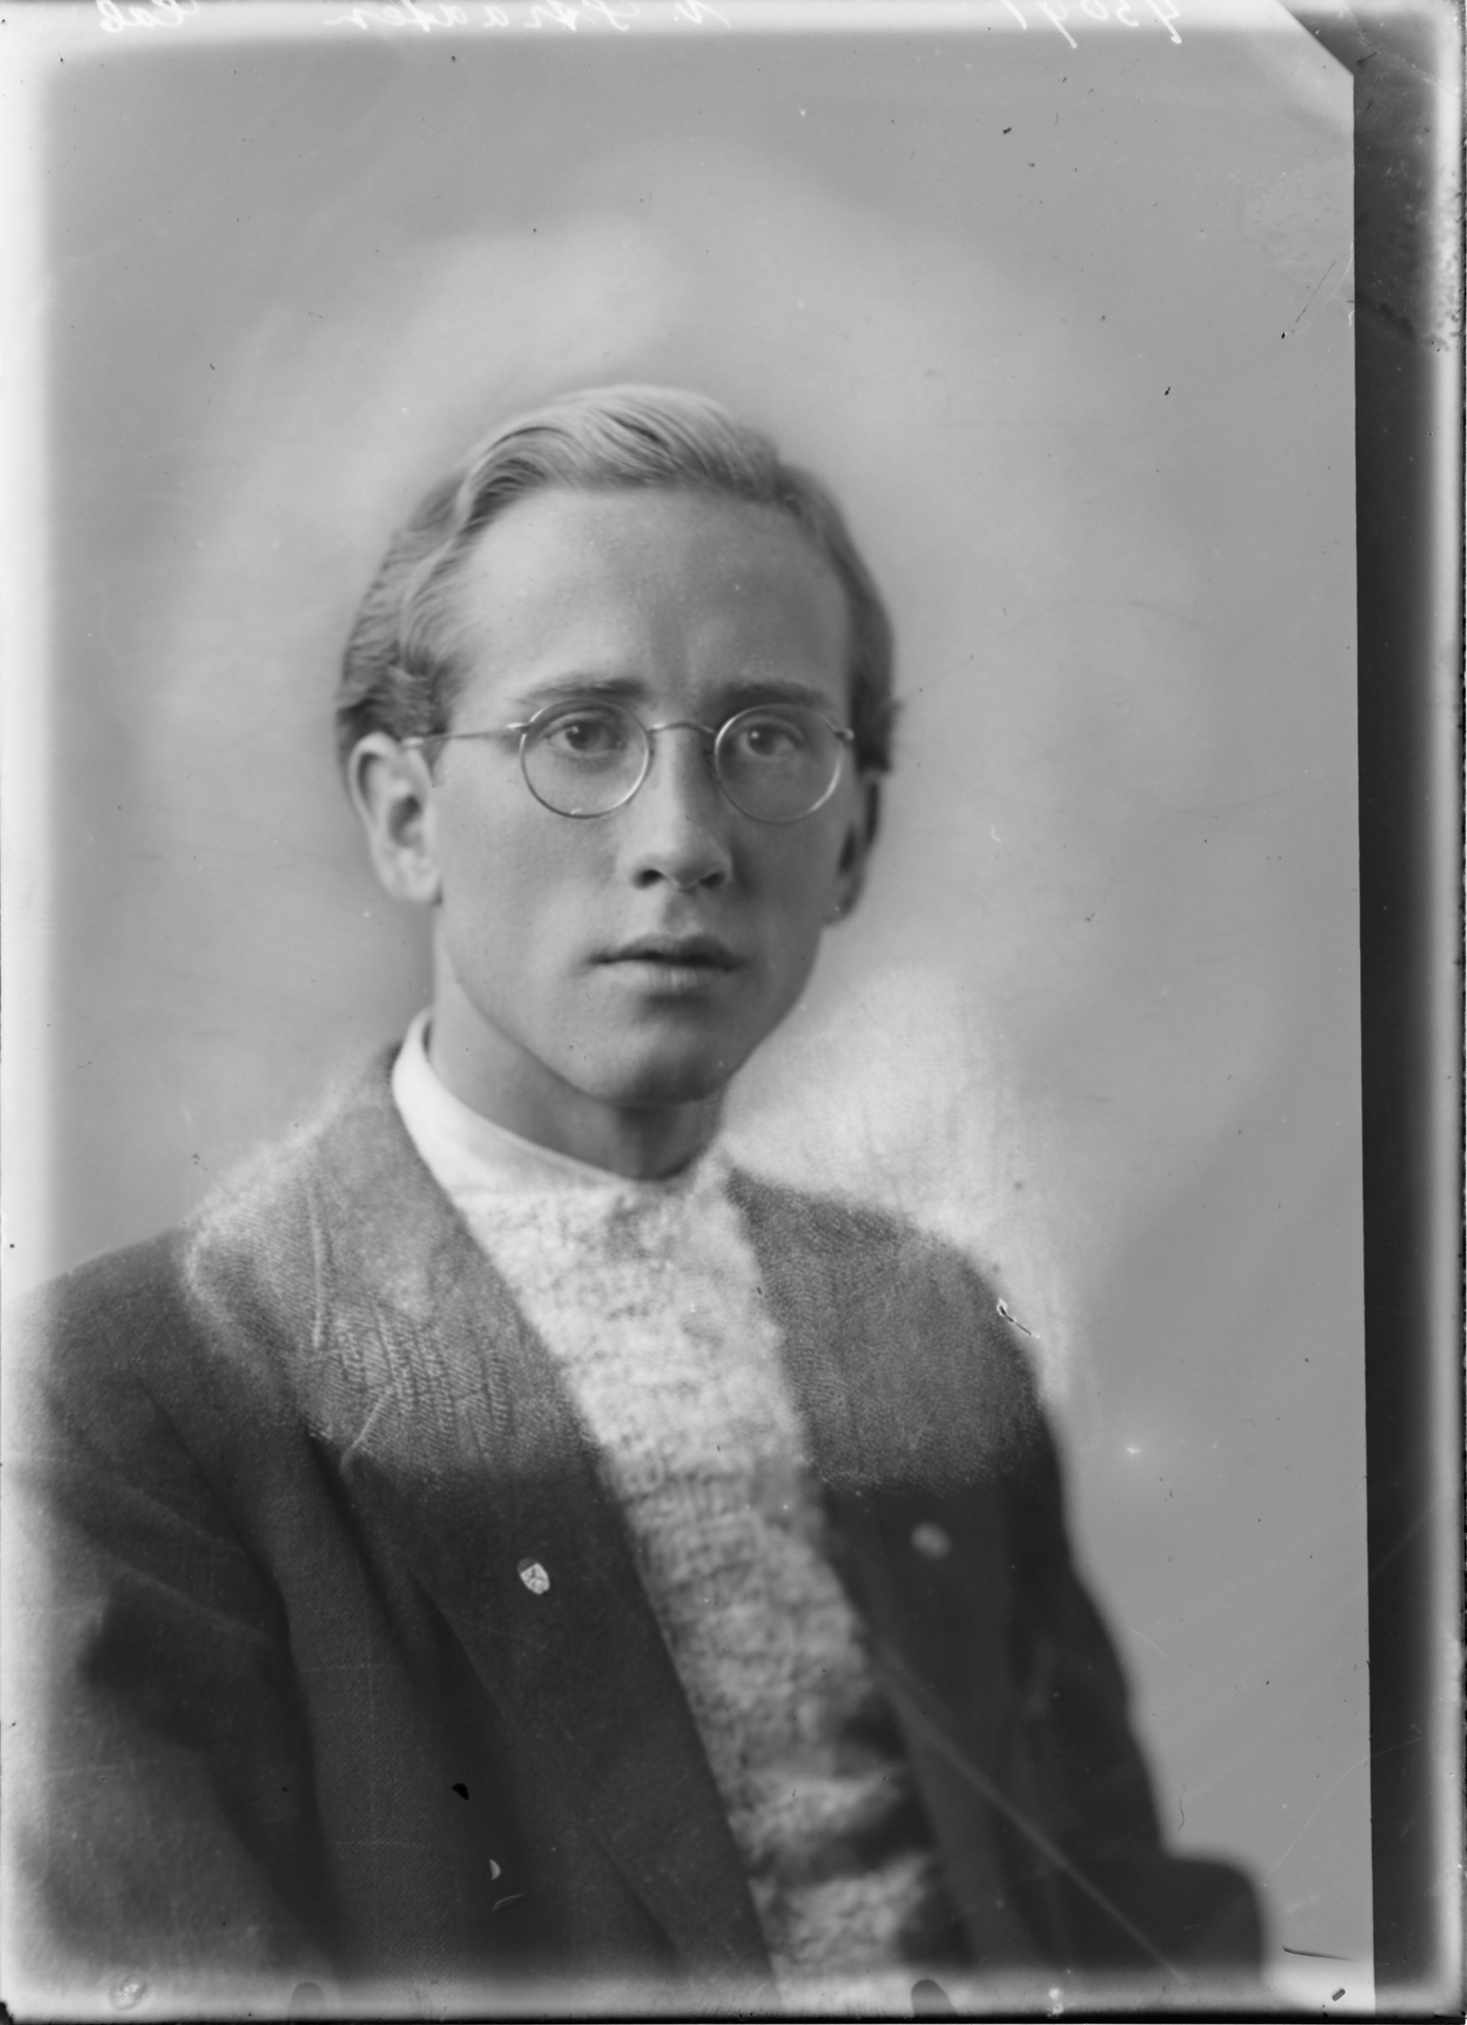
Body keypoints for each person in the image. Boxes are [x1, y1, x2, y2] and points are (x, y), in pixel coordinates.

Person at [7, 386, 1261, 2017]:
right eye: (581, 734)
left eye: (770, 742)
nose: (683, 840)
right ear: (404, 816)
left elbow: (1128, 1925)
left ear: (856, 841)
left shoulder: (928, 1327)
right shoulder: (122, 1401)